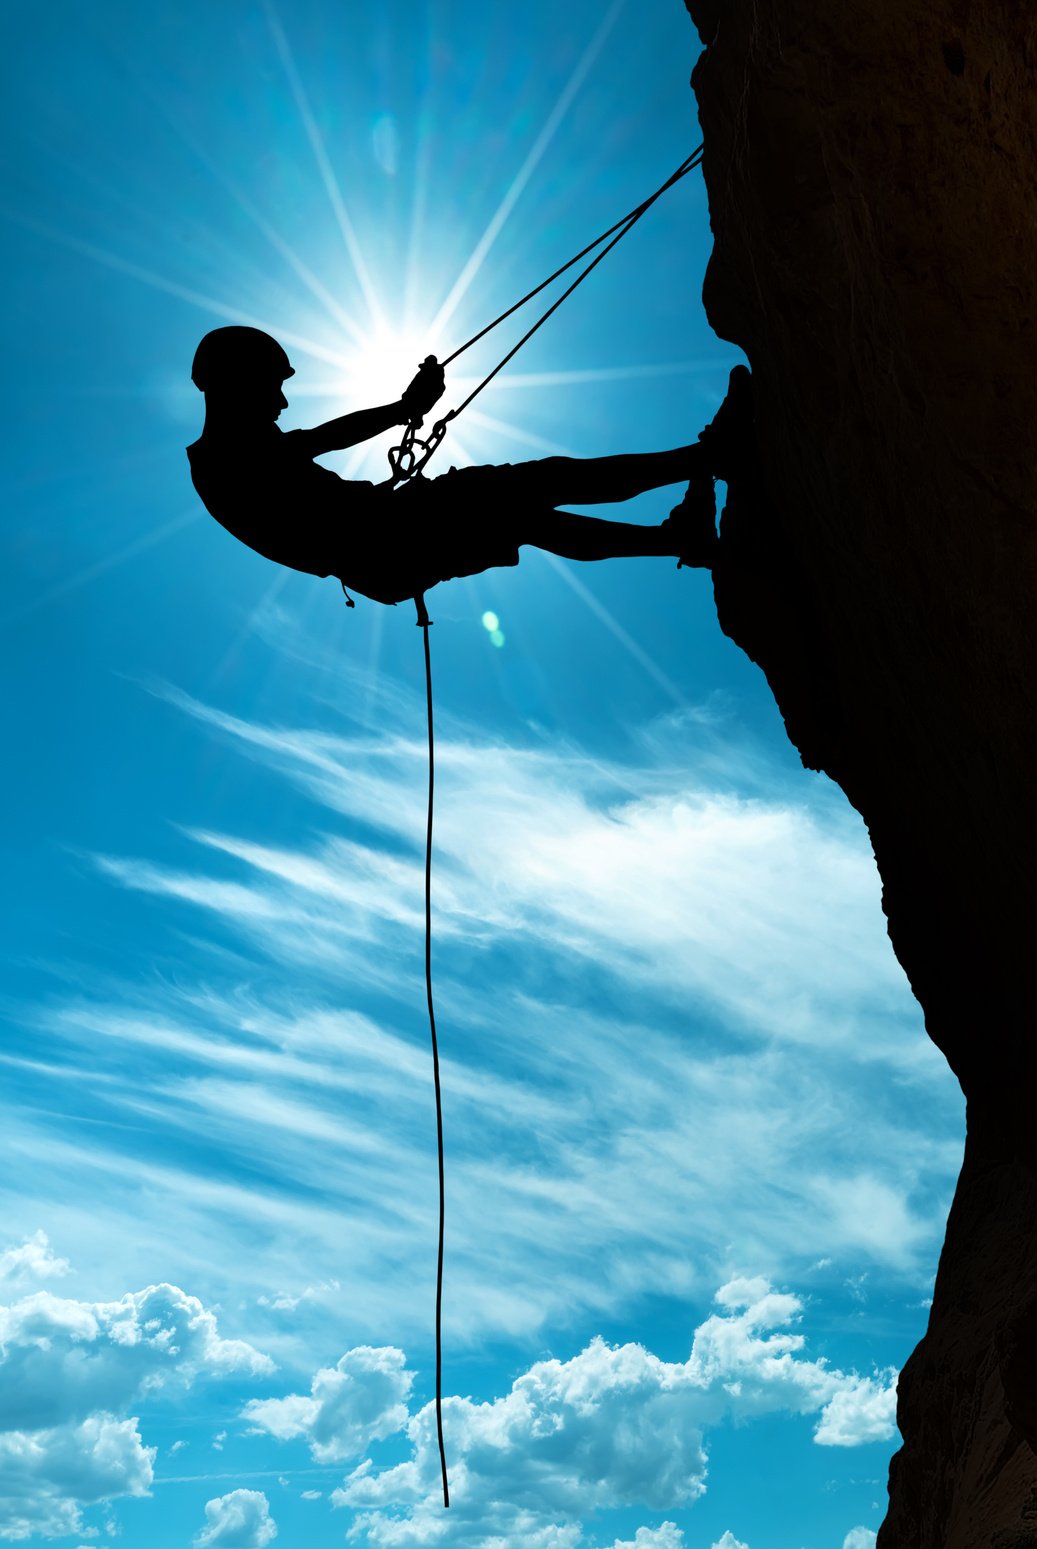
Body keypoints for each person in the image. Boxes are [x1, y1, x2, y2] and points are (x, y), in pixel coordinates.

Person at [186, 325, 743, 608]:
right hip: (390, 537)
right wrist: (406, 409)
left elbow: (308, 447)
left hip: (385, 544)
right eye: (273, 386)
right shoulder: (226, 460)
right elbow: (322, 439)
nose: (281, 403)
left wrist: (405, 412)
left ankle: (681, 538)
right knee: (538, 486)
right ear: (237, 382)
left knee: (531, 515)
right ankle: (706, 464)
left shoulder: (231, 458)